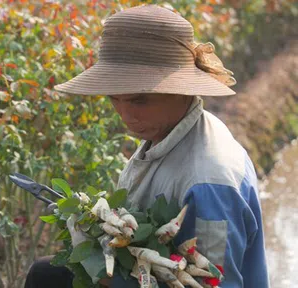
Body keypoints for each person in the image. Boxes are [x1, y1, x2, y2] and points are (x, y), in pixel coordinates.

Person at [25, 4, 269, 288]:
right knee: (46, 274)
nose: (126, 116)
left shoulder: (209, 185)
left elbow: (211, 284)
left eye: (139, 100)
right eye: (115, 99)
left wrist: (106, 278)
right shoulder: (169, 132)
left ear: (181, 90)